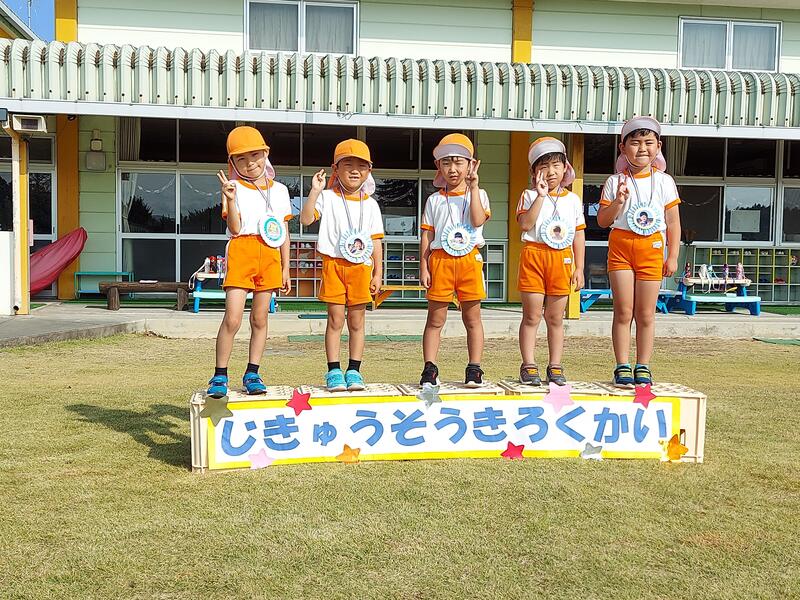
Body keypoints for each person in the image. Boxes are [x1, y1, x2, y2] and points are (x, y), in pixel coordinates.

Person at [207, 126, 292, 398]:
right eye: (241, 158)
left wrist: (286, 267)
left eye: (255, 155)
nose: (250, 163)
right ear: (232, 162)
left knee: (260, 317)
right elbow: (234, 228)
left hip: (270, 252)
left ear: (266, 153)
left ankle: (253, 372)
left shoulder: (280, 190)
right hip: (242, 249)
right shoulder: (233, 188)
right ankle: (219, 374)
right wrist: (230, 200)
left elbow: (284, 231)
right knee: (232, 318)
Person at [597, 116, 682, 386]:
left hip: (652, 247)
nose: (642, 148)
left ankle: (643, 364)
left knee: (646, 313)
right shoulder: (614, 181)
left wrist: (672, 256)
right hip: (621, 247)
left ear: (659, 146)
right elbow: (603, 221)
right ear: (623, 148)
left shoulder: (665, 181)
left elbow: (673, 222)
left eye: (648, 142)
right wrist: (618, 201)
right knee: (623, 311)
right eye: (635, 143)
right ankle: (622, 364)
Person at [299, 139, 384, 392]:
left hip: (361, 267)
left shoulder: (371, 204)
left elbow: (376, 241)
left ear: (369, 170)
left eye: (361, 165)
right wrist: (315, 191)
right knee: (335, 319)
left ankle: (354, 370)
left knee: (357, 321)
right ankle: (334, 370)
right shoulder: (327, 197)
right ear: (335, 169)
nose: (355, 170)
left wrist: (378, 273)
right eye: (348, 165)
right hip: (334, 265)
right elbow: (305, 219)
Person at [419, 133, 491, 387]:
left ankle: (474, 368)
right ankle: (429, 367)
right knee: (435, 319)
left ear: (471, 164)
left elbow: (477, 220)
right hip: (441, 261)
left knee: (472, 319)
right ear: (438, 166)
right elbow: (427, 235)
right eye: (446, 162)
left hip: (469, 260)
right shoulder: (434, 199)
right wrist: (424, 266)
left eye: (459, 162)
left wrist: (473, 187)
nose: (453, 169)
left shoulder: (479, 194)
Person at [516, 137, 585, 386]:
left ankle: (555, 365)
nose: (551, 171)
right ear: (534, 172)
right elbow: (525, 224)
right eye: (544, 166)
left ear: (566, 168)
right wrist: (540, 196)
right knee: (532, 316)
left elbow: (578, 234)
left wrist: (579, 267)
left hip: (562, 258)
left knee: (555, 317)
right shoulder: (528, 195)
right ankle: (528, 364)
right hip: (534, 256)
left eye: (556, 165)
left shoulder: (573, 199)